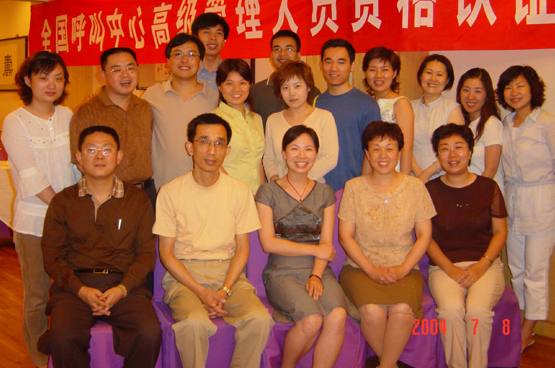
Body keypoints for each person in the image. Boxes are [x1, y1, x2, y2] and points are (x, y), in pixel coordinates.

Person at [154, 113, 274, 368]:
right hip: (185, 277)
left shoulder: (239, 190)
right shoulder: (170, 192)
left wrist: (224, 290)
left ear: (227, 150)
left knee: (259, 319)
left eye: (219, 143)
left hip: (228, 274)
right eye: (204, 142)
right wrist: (201, 292)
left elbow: (243, 249)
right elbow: (166, 253)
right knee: (194, 323)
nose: (212, 150)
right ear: (190, 147)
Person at [38, 126, 161, 368]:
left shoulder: (137, 200)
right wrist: (80, 290)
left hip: (124, 285)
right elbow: (53, 256)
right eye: (91, 150)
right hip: (74, 286)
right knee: (63, 337)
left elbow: (146, 254)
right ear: (79, 157)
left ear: (119, 156)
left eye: (106, 150)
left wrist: (122, 289)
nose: (99, 156)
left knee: (148, 332)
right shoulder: (62, 201)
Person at [1, 50, 79, 368]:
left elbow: (77, 166)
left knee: (68, 291)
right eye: (44, 77)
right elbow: (30, 175)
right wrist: (66, 210)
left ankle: (64, 350)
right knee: (37, 294)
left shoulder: (68, 116)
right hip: (34, 223)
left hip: (71, 222)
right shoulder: (15, 121)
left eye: (58, 78)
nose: (51, 84)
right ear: (27, 80)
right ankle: (39, 358)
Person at [338, 121, 434, 368]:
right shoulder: (353, 187)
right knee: (371, 311)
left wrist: (403, 269)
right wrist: (371, 270)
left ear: (399, 152)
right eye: (376, 149)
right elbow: (345, 237)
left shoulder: (415, 187)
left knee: (402, 311)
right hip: (360, 269)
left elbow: (424, 235)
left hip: (404, 268)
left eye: (390, 149)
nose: (383, 156)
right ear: (367, 154)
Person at [256, 125, 352, 368]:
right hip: (281, 272)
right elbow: (268, 243)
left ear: (316, 154)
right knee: (312, 319)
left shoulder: (325, 192)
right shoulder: (267, 191)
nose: (301, 156)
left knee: (338, 314)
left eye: (308, 149)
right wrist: (314, 250)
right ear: (283, 153)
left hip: (318, 270)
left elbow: (326, 243)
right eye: (295, 149)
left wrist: (316, 275)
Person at [426, 123, 508, 368]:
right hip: (443, 267)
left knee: (477, 313)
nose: (452, 155)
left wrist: (481, 266)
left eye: (459, 147)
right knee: (450, 311)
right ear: (438, 155)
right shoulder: (429, 190)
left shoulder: (488, 187)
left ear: (470, 151)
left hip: (485, 265)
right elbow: (426, 238)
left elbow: (500, 232)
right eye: (445, 149)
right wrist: (450, 269)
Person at [497, 65, 555, 352]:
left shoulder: (546, 123)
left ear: (533, 88)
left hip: (541, 198)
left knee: (535, 271)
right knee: (517, 270)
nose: (514, 92)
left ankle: (528, 330)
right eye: (509, 87)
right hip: (513, 198)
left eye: (520, 85)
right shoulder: (505, 123)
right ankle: (520, 323)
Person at [69, 47, 156, 206]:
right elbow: (80, 160)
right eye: (116, 70)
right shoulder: (87, 111)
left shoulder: (145, 108)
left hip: (145, 192)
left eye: (130, 68)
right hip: (105, 195)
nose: (125, 75)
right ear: (103, 75)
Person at [143, 33, 219, 189]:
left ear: (200, 62)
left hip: (205, 186)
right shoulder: (151, 95)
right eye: (178, 54)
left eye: (191, 54)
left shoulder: (215, 98)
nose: (184, 60)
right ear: (168, 62)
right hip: (162, 187)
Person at [315, 39, 381, 192]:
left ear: (352, 66)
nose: (334, 68)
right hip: (317, 189)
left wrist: (362, 188)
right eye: (328, 62)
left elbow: (373, 151)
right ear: (321, 65)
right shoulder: (314, 103)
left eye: (341, 62)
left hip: (352, 189)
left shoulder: (367, 105)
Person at [263, 60, 338, 183]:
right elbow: (268, 158)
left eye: (297, 86)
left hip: (312, 188)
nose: (291, 93)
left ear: (308, 87)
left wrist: (298, 181)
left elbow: (330, 158)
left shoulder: (324, 117)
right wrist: (277, 182)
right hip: (279, 190)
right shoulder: (273, 120)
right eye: (285, 87)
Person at [211, 58, 264, 195]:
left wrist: (261, 196)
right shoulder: (213, 121)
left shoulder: (256, 119)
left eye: (242, 83)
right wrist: (240, 194)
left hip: (255, 197)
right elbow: (213, 163)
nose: (236, 89)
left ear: (250, 85)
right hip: (228, 195)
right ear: (219, 86)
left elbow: (257, 162)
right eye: (229, 83)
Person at [412, 54, 464, 182]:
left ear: (447, 80)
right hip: (412, 177)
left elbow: (454, 149)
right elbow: (403, 145)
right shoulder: (409, 106)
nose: (433, 79)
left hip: (442, 178)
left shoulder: (452, 109)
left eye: (439, 75)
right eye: (429, 73)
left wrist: (426, 174)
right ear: (420, 75)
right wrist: (418, 174)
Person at [252, 30, 320, 128]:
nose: (282, 54)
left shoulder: (312, 91)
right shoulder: (256, 91)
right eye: (277, 49)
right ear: (271, 55)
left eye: (289, 49)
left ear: (298, 55)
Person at [362, 46, 414, 175]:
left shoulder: (400, 103)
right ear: (365, 72)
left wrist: (404, 181)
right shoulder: (366, 103)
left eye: (384, 70)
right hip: (372, 174)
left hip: (393, 174)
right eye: (372, 70)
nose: (378, 75)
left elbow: (406, 148)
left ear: (394, 73)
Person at [456, 67, 504, 191]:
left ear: (487, 95)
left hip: (485, 193)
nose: (470, 96)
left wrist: (475, 195)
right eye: (466, 90)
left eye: (477, 91)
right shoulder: (462, 124)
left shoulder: (491, 123)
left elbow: (491, 169)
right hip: (467, 191)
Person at [191, 12, 229, 90]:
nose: (213, 38)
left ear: (224, 41)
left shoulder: (230, 73)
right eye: (206, 32)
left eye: (218, 33)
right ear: (196, 38)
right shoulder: (186, 73)